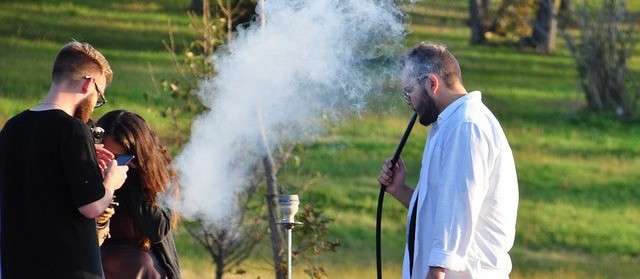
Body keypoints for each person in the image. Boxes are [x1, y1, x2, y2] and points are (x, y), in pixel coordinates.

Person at [377, 42, 519, 279]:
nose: (408, 101)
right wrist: (400, 190)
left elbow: (457, 211)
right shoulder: (447, 125)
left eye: (409, 91)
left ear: (432, 83)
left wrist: (436, 273)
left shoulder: (466, 126)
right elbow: (441, 209)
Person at [0, 41, 129, 278]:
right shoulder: (72, 129)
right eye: (98, 96)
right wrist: (111, 181)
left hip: (17, 267)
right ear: (89, 84)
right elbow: (91, 207)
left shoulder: (12, 127)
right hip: (68, 269)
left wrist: (84, 159)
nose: (95, 104)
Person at [96, 110, 181, 279]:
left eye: (118, 158)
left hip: (142, 261)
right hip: (98, 255)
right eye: (106, 155)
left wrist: (131, 177)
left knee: (139, 263)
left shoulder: (157, 170)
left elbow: (157, 229)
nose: (110, 164)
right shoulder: (91, 168)